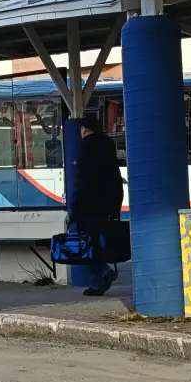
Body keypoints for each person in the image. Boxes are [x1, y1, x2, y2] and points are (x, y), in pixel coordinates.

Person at [70, 113, 124, 296]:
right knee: (101, 239)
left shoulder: (84, 147)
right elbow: (115, 176)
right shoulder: (108, 146)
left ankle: (100, 276)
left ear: (84, 130)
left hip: (88, 204)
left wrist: (74, 207)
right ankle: (99, 280)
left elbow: (80, 181)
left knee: (87, 242)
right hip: (108, 202)